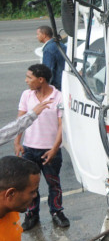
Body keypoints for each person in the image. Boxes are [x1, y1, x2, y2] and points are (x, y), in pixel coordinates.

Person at [14, 64, 68, 230]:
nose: (26, 81)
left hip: (49, 151)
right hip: (29, 150)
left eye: (29, 77)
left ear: (41, 79)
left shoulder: (59, 97)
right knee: (30, 185)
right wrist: (17, 142)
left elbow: (62, 126)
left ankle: (56, 212)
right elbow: (20, 121)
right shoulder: (27, 95)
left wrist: (54, 148)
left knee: (53, 184)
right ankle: (32, 214)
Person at [36, 25, 65, 91]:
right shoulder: (60, 44)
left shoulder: (48, 49)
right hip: (63, 82)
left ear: (44, 35)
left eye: (38, 34)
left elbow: (48, 70)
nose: (37, 36)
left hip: (56, 85)